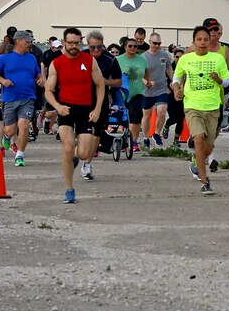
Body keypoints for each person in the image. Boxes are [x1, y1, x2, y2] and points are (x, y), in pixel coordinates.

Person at [44, 27, 105, 204]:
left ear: (81, 42)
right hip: (66, 110)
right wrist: (57, 106)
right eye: (70, 43)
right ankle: (69, 189)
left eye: (77, 43)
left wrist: (98, 108)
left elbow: (100, 85)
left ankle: (74, 160)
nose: (73, 46)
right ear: (63, 43)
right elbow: (48, 90)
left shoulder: (90, 60)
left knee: (85, 153)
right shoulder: (57, 63)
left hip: (86, 110)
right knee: (68, 147)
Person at [172, 26, 229, 195]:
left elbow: (227, 82)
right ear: (193, 42)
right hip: (192, 106)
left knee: (208, 146)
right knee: (198, 138)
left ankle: (197, 161)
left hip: (213, 107)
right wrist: (177, 89)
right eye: (199, 39)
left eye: (206, 39)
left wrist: (218, 79)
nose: (203, 42)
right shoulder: (185, 59)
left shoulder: (218, 59)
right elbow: (176, 77)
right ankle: (205, 181)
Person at [0, 31, 43, 167]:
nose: (30, 43)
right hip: (10, 98)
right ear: (19, 41)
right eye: (28, 41)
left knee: (24, 126)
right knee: (10, 130)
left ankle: (20, 155)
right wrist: (3, 80)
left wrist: (40, 79)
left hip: (28, 97)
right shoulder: (4, 58)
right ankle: (7, 137)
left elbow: (37, 74)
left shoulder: (31, 58)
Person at [82, 30, 122, 180]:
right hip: (81, 99)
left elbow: (118, 81)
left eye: (99, 47)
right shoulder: (81, 57)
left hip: (101, 100)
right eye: (93, 47)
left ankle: (87, 163)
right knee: (82, 132)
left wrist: (105, 82)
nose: (96, 50)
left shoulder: (110, 59)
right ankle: (80, 153)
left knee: (96, 132)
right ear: (88, 45)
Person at [117, 38, 150, 152]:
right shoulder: (118, 60)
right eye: (130, 46)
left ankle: (134, 141)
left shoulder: (142, 60)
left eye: (135, 46)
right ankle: (120, 141)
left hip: (137, 92)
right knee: (121, 117)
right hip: (121, 92)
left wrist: (148, 81)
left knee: (136, 117)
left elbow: (147, 71)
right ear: (125, 47)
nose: (133, 48)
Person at [141, 33, 173, 148]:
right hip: (148, 90)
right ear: (150, 42)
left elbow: (169, 68)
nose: (157, 45)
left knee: (162, 111)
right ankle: (145, 137)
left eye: (159, 43)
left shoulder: (164, 55)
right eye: (155, 43)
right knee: (147, 115)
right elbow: (140, 74)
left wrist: (172, 80)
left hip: (161, 88)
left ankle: (156, 133)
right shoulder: (143, 57)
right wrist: (147, 83)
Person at [162, 48, 187, 146]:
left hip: (183, 95)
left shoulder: (187, 68)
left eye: (181, 57)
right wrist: (165, 88)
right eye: (177, 57)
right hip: (171, 95)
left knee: (181, 118)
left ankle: (176, 139)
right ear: (174, 57)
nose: (179, 58)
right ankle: (167, 125)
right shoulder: (169, 67)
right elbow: (161, 78)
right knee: (174, 117)